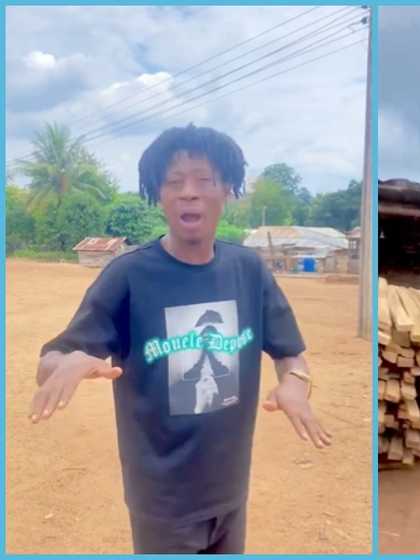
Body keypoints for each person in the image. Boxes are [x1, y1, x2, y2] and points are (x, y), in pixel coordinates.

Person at [30, 124, 333, 554]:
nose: (188, 192)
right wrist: (68, 363)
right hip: (162, 503)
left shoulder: (248, 271)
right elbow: (52, 359)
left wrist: (297, 384)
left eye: (204, 180)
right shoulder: (129, 274)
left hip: (229, 490)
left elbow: (291, 353)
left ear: (227, 189)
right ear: (158, 193)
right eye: (174, 182)